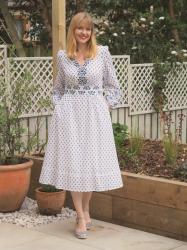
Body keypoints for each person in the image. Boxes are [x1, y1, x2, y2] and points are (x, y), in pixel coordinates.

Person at [39, 11, 123, 239]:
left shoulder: (102, 53)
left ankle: (86, 209)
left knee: (90, 164)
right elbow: (58, 90)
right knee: (75, 164)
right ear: (73, 31)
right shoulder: (63, 56)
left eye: (88, 29)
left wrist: (105, 106)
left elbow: (114, 87)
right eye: (79, 28)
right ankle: (79, 215)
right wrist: (60, 108)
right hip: (70, 118)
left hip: (96, 118)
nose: (84, 32)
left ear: (91, 32)